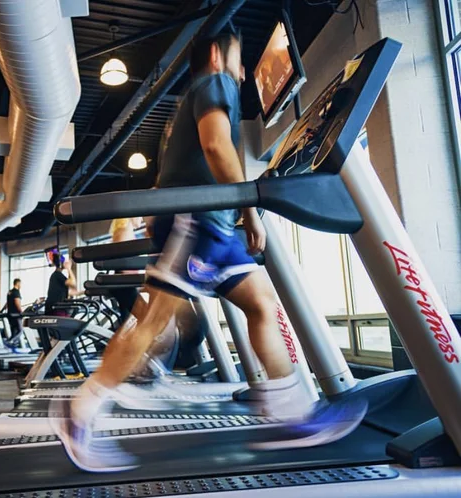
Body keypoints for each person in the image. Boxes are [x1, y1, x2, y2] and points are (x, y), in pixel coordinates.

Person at [49, 31, 366, 473]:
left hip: (209, 224)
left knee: (260, 303)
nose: (242, 72)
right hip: (197, 222)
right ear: (217, 55)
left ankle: (291, 414)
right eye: (239, 60)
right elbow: (216, 144)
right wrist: (251, 207)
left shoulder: (198, 96)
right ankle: (80, 411)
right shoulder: (213, 83)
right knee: (154, 320)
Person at [44, 252, 78, 316]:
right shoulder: (57, 275)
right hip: (56, 309)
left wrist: (86, 292)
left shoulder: (58, 276)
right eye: (64, 261)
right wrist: (69, 268)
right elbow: (73, 283)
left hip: (57, 308)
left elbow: (71, 292)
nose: (66, 263)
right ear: (60, 263)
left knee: (76, 309)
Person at [5, 279, 24, 346]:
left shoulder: (10, 292)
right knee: (20, 331)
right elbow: (17, 302)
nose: (21, 286)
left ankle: (13, 343)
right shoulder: (16, 292)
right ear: (18, 284)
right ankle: (11, 341)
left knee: (13, 332)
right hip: (16, 315)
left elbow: (7, 303)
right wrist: (21, 312)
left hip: (10, 314)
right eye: (20, 284)